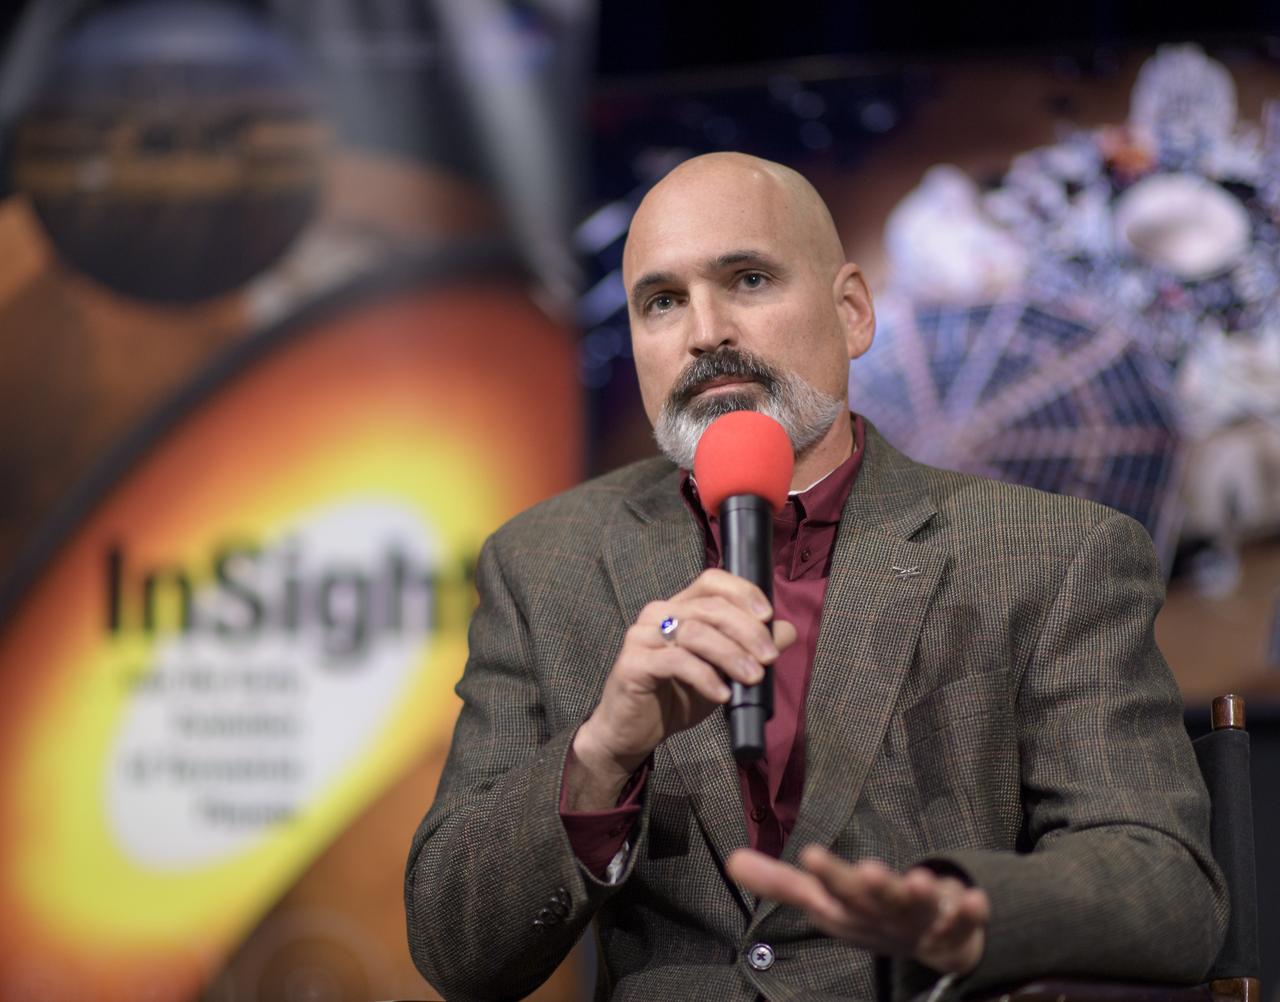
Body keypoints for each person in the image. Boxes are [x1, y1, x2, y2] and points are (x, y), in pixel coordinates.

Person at [404, 152, 1227, 1001]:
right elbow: (455, 947)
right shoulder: (543, 563)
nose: (705, 331)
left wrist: (972, 911)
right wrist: (600, 755)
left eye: (749, 279)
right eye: (662, 302)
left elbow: (1166, 890)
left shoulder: (1053, 553)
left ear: (854, 313)